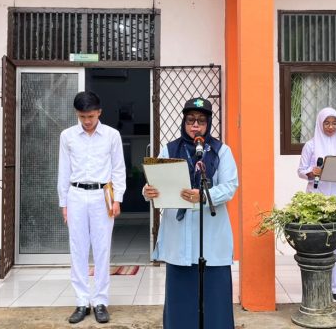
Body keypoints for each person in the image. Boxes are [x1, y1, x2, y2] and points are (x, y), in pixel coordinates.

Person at [143, 97, 239, 329]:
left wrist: (203, 196)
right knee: (181, 300)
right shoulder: (170, 149)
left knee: (215, 299)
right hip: (179, 236)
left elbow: (230, 186)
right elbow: (156, 182)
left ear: (208, 124)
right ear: (184, 122)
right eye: (190, 120)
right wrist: (148, 191)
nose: (195, 125)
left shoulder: (221, 151)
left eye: (201, 121)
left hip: (211, 235)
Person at [57, 91, 126, 324]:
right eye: (82, 116)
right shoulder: (67, 136)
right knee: (77, 248)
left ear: (99, 112)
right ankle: (81, 301)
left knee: (102, 248)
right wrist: (63, 202)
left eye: (91, 116)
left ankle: (100, 301)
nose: (87, 121)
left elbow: (118, 169)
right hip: (76, 194)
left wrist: (118, 199)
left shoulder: (112, 135)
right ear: (77, 114)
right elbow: (63, 170)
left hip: (102, 195)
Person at [297, 107, 336, 301]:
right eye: (327, 123)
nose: (331, 127)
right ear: (320, 124)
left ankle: (335, 287)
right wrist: (311, 171)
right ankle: (317, 283)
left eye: (335, 123)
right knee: (318, 242)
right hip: (316, 198)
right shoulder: (311, 145)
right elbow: (300, 170)